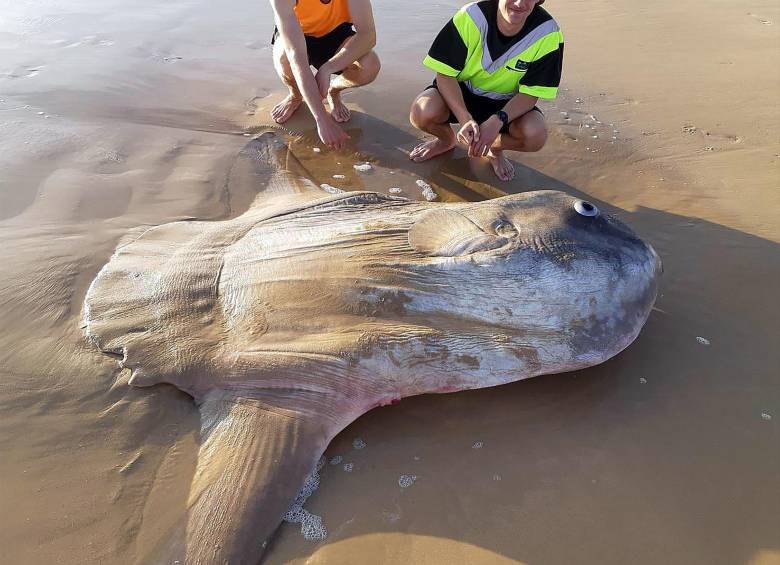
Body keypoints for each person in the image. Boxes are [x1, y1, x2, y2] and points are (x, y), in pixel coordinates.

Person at [409, 0, 563, 181]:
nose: (520, 3)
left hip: (506, 104)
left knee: (535, 135)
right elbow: (445, 75)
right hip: (461, 92)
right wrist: (464, 118)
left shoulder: (547, 33)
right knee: (422, 112)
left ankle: (494, 149)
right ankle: (446, 140)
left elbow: (530, 94)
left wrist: (499, 120)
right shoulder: (471, 17)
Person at [270, 0, 381, 150]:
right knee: (284, 57)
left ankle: (333, 91)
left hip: (336, 32)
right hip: (299, 32)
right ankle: (295, 95)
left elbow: (368, 35)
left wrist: (327, 69)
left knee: (369, 65)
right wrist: (322, 119)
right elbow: (297, 58)